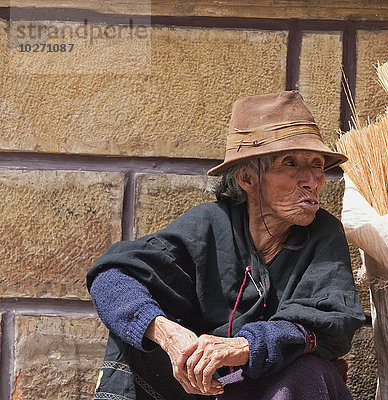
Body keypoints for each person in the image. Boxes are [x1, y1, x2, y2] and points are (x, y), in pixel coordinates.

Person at [87, 91, 366, 400]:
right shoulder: (208, 224)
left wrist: (244, 347)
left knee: (307, 368)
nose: (312, 180)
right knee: (136, 329)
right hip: (201, 390)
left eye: (317, 165)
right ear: (248, 178)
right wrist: (169, 334)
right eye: (290, 164)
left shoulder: (323, 233)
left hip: (271, 389)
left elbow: (331, 323)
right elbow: (113, 277)